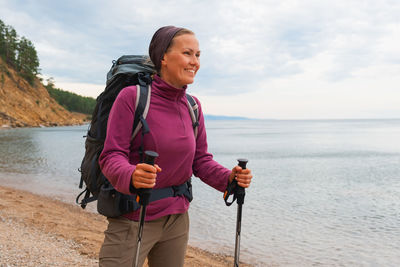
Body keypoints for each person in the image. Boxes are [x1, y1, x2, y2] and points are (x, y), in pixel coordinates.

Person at [98, 25, 253, 267]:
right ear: (163, 58)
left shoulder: (193, 106)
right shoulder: (133, 98)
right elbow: (110, 156)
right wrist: (132, 174)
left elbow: (200, 161)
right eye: (187, 53)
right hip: (133, 216)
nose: (195, 62)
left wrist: (229, 178)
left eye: (198, 55)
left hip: (177, 220)